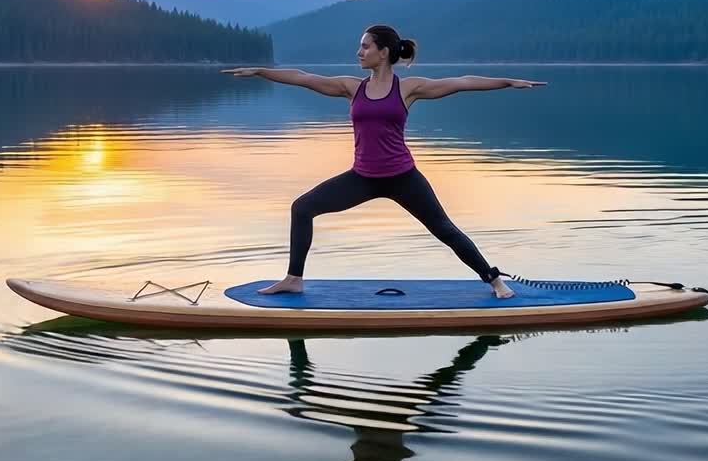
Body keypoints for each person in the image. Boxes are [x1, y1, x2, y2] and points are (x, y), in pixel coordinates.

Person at [221, 24, 545, 298]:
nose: (359, 52)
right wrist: (262, 72)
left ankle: (495, 281)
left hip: (403, 177)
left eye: (365, 47)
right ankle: (293, 279)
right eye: (359, 47)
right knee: (302, 208)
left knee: (444, 229)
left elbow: (462, 83)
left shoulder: (408, 88)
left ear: (384, 52)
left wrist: (508, 82)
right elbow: (303, 77)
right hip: (362, 177)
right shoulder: (351, 88)